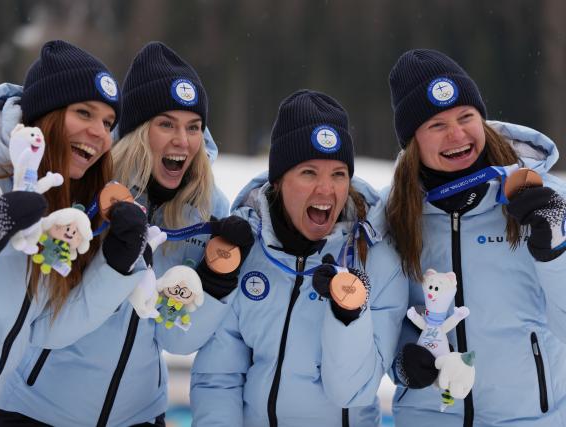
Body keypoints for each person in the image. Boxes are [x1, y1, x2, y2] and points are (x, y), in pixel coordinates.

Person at [0, 42, 251, 427]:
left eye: (194, 126)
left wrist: (216, 282)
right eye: (166, 123)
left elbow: (175, 339)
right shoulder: (90, 184)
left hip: (139, 415)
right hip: (34, 409)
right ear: (138, 130)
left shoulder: (207, 206)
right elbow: (40, 317)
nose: (183, 140)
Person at [0, 40, 152, 427]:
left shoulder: (59, 204)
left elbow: (44, 328)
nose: (99, 133)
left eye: (108, 123)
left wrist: (115, 266)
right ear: (47, 112)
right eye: (85, 113)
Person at [190, 90, 408, 426]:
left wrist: (346, 313)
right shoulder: (247, 250)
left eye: (338, 174)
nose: (325, 189)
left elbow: (355, 390)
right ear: (278, 180)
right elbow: (220, 377)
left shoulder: (375, 258)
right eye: (308, 172)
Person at [385, 48, 566, 427]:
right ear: (412, 140)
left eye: (466, 117)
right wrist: (402, 363)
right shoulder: (395, 214)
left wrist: (558, 252)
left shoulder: (539, 198)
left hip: (528, 417)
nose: (457, 134)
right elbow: (384, 319)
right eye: (436, 125)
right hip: (428, 417)